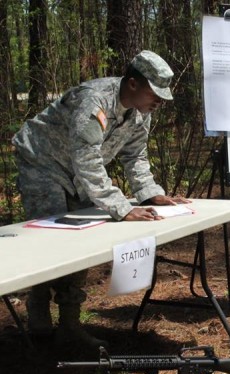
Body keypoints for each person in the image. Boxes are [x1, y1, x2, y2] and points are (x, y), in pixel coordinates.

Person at [12, 50, 190, 348]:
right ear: (132, 84)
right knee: (50, 238)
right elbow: (87, 159)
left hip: (76, 171)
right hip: (43, 162)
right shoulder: (93, 100)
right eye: (155, 94)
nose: (159, 102)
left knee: (83, 242)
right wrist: (120, 207)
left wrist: (151, 193)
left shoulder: (139, 114)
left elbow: (135, 156)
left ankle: (69, 324)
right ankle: (38, 309)